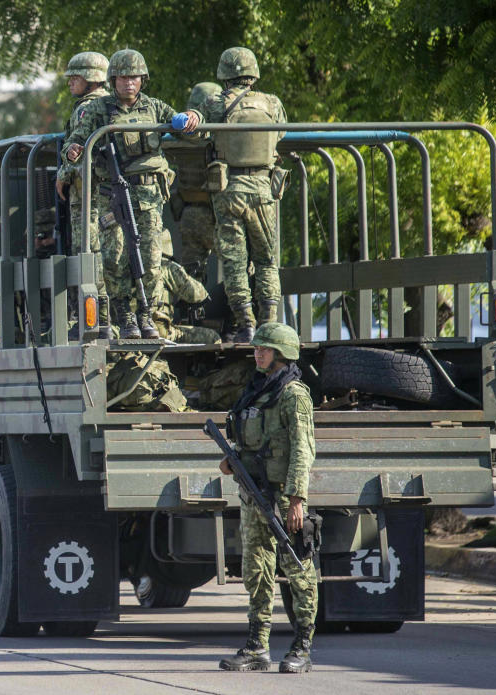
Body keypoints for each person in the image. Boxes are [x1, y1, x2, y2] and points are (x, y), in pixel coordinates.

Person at [63, 48, 201, 340]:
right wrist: (73, 150)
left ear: (143, 80)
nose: (129, 83)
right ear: (113, 80)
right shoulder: (100, 109)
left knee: (150, 261)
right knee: (115, 260)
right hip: (111, 194)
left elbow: (186, 127)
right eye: (123, 77)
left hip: (148, 196)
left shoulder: (153, 107)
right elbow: (76, 140)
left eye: (135, 78)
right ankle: (125, 317)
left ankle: (146, 315)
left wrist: (193, 117)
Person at [218, 322, 317, 673]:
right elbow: (251, 441)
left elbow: (303, 451)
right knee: (256, 572)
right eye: (257, 348)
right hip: (253, 495)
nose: (257, 353)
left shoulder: (293, 394)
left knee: (298, 569)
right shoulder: (256, 391)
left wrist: (296, 500)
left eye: (265, 349)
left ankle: (302, 647)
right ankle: (257, 647)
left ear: (282, 353)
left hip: (281, 499)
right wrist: (233, 460)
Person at [197, 48, 286, 343]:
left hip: (229, 189)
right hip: (263, 188)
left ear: (224, 75)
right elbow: (281, 134)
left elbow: (199, 133)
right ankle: (269, 324)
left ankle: (246, 325)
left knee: (235, 262)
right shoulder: (272, 103)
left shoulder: (214, 104)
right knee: (266, 260)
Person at [56, 51, 112, 338]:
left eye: (74, 78)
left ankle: (98, 321)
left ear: (90, 79)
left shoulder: (85, 109)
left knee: (88, 257)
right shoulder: (110, 106)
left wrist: (63, 175)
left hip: (86, 197)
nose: (69, 83)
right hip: (102, 195)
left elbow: (77, 150)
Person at [165, 81, 221, 282]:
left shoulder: (178, 137)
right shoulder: (219, 135)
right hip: (220, 214)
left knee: (192, 271)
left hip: (190, 214)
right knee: (238, 267)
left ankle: (193, 309)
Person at [153, 230, 220, 344]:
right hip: (159, 332)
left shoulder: (125, 269)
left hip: (129, 331)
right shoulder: (167, 267)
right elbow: (197, 295)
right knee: (213, 337)